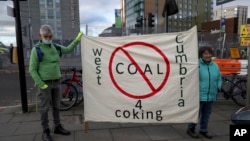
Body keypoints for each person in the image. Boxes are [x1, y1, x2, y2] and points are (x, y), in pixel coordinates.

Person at [29, 24, 83, 141]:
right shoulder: (36, 50)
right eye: (45, 36)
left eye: (50, 36)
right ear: (40, 36)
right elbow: (32, 69)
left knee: (57, 106)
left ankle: (57, 126)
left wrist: (77, 39)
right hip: (45, 83)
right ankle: (45, 131)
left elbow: (68, 49)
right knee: (44, 109)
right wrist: (40, 83)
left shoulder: (55, 47)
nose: (48, 38)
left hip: (56, 82)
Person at [186, 47, 222, 139]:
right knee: (196, 114)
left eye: (209, 53)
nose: (208, 55)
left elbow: (219, 78)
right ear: (201, 55)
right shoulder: (196, 65)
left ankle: (203, 130)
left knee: (206, 114)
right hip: (199, 95)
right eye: (205, 54)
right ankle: (191, 128)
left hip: (211, 95)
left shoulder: (215, 65)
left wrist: (218, 86)